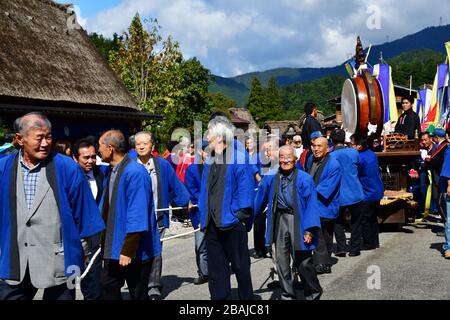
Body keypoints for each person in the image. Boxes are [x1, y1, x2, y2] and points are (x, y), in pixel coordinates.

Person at [0, 112, 104, 300]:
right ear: (19, 139)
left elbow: (86, 219)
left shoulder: (67, 168)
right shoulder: (4, 168)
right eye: (39, 138)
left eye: (48, 136)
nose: (46, 143)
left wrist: (79, 258)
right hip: (14, 261)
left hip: (60, 262)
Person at [97, 130, 161, 300]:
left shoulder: (134, 172)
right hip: (115, 245)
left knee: (138, 294)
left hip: (134, 249)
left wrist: (128, 249)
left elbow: (137, 213)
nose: (98, 150)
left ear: (110, 148)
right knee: (107, 286)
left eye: (100, 146)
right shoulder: (112, 171)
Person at [254, 145, 322, 300]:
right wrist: (247, 217)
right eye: (282, 157)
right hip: (279, 220)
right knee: (282, 261)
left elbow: (312, 205)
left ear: (295, 159)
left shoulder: (305, 178)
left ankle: (313, 293)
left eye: (288, 157)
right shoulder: (271, 177)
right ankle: (287, 295)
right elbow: (259, 200)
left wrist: (309, 230)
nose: (285, 160)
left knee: (303, 262)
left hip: (299, 219)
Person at [198, 117, 255, 300]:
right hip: (212, 224)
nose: (206, 136)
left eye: (209, 133)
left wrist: (238, 215)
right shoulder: (209, 161)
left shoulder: (238, 158)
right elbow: (205, 191)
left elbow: (245, 190)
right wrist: (203, 216)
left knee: (241, 268)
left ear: (220, 137)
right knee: (216, 271)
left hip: (232, 223)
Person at [134, 131, 190, 300]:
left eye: (145, 143)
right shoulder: (129, 164)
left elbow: (175, 186)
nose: (141, 146)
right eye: (138, 144)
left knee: (155, 253)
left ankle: (153, 286)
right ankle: (137, 284)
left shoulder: (162, 165)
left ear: (152, 146)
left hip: (158, 217)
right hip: (135, 219)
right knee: (137, 252)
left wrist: (185, 202)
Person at [72, 138, 109, 300]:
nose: (90, 161)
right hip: (73, 233)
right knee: (71, 273)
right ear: (75, 158)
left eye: (93, 157)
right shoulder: (70, 176)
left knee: (93, 270)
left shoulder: (101, 173)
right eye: (85, 158)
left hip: (94, 232)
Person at [305, 137, 341, 275]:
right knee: (319, 234)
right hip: (313, 203)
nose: (316, 149)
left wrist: (308, 192)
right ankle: (322, 262)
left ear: (327, 148)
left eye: (320, 146)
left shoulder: (334, 165)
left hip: (325, 203)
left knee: (324, 234)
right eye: (314, 145)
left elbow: (326, 189)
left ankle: (323, 262)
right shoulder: (310, 160)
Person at [331, 129, 365, 257]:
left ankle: (341, 247)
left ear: (332, 140)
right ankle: (354, 248)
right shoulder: (353, 152)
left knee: (337, 221)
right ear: (344, 138)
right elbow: (360, 168)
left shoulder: (330, 156)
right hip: (355, 191)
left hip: (338, 194)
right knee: (356, 221)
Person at [350, 133, 384, 250]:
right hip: (377, 189)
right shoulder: (371, 154)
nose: (351, 146)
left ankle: (368, 243)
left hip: (368, 191)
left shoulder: (359, 158)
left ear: (359, 146)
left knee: (364, 219)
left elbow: (356, 174)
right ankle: (375, 241)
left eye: (352, 144)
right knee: (373, 218)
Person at [184, 140, 209, 285]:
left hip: (217, 212)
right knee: (200, 244)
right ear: (201, 152)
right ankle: (203, 272)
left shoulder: (221, 167)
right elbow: (191, 190)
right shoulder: (192, 169)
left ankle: (216, 269)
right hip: (199, 211)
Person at [422, 128, 449, 226]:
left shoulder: (442, 146)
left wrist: (424, 163)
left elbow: (434, 160)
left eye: (433, 137)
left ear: (436, 137)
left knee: (440, 201)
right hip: (443, 175)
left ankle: (446, 225)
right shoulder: (445, 145)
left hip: (443, 176)